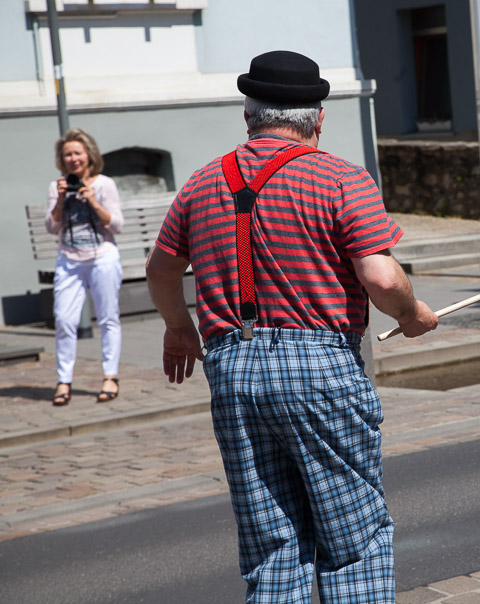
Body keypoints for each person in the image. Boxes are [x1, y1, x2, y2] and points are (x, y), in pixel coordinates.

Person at [145, 50, 438, 603]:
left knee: (271, 547)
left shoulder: (203, 181)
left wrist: (179, 330)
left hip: (231, 367)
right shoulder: (340, 177)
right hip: (319, 365)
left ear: (250, 115)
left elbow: (160, 270)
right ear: (318, 118)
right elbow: (379, 275)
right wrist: (411, 313)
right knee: (353, 542)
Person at [45, 128, 124, 406]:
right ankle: (64, 380)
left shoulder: (105, 184)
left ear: (88, 155)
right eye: (67, 154)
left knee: (107, 317)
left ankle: (110, 376)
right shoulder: (57, 187)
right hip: (69, 258)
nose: (73, 159)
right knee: (64, 319)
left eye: (77, 153)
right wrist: (61, 199)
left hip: (102, 255)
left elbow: (116, 225)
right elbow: (51, 226)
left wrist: (92, 199)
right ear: (62, 159)